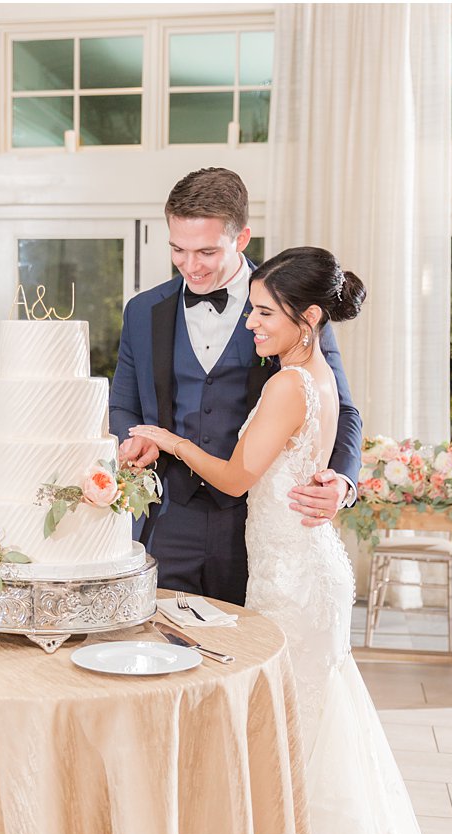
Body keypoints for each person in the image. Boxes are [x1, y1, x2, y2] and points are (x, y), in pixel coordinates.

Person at [131, 247, 452, 834]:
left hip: (288, 573)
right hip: (301, 565)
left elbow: (234, 473)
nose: (253, 322)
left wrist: (166, 440)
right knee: (319, 718)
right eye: (250, 309)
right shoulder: (293, 369)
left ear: (308, 319)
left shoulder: (293, 382)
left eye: (264, 313)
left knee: (297, 722)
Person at [110, 168, 363, 605]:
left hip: (256, 522)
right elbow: (124, 405)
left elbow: (340, 408)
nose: (191, 266)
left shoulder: (294, 306)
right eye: (178, 250)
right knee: (164, 650)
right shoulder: (142, 311)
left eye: (206, 251)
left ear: (241, 238)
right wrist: (133, 443)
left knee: (252, 653)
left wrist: (343, 482)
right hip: (167, 517)